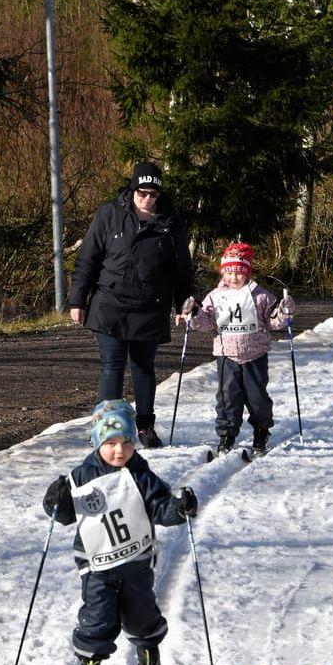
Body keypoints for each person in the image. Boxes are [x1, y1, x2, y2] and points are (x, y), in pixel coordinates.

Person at [42, 399, 198, 665]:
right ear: (97, 441)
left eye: (126, 442)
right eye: (110, 442)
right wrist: (55, 500)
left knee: (141, 613)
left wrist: (180, 509)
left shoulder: (141, 475)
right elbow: (63, 515)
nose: (119, 450)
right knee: (98, 615)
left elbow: (160, 507)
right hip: (96, 562)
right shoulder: (81, 476)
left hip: (136, 561)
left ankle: (149, 652)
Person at [68, 161, 195, 449]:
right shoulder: (109, 214)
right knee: (111, 365)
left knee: (143, 367)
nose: (148, 198)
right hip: (109, 303)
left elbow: (182, 270)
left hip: (151, 306)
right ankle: (107, 428)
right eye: (142, 192)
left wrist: (185, 302)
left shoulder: (171, 222)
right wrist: (78, 299)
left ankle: (144, 426)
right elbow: (88, 258)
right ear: (132, 189)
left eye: (153, 194)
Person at [179, 242, 295, 457]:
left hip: (255, 355)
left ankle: (261, 431)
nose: (233, 277)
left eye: (239, 272)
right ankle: (226, 435)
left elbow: (273, 321)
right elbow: (207, 322)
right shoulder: (215, 296)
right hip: (226, 355)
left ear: (247, 272)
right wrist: (193, 313)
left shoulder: (260, 295)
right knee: (227, 398)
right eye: (229, 272)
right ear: (223, 272)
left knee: (256, 397)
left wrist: (284, 312)